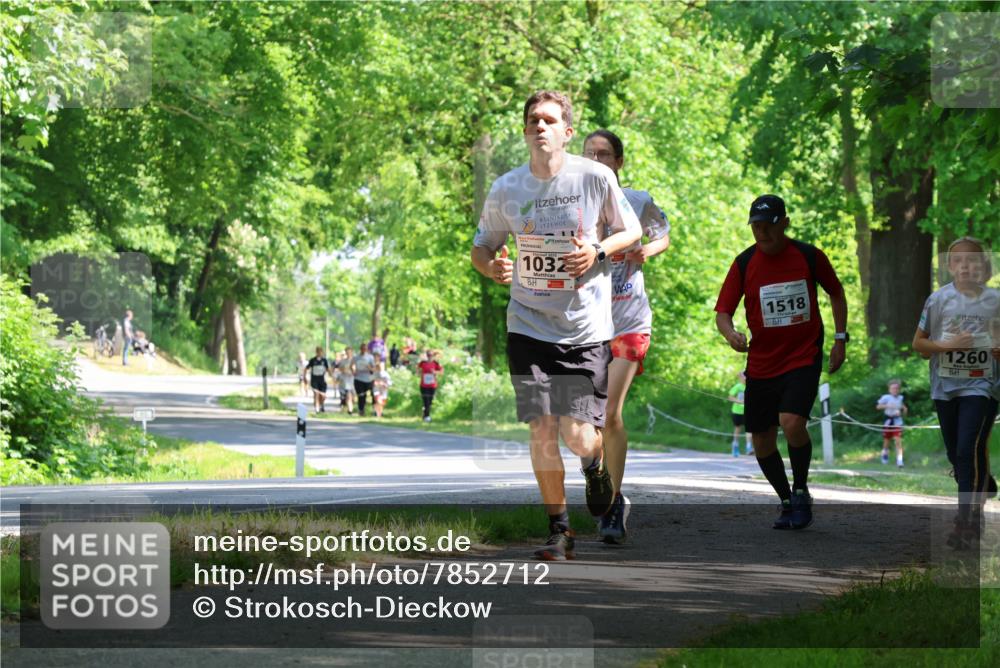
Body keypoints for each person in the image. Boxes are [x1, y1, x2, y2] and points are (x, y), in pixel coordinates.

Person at [471, 90, 641, 560]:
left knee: (576, 435)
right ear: (525, 131)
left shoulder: (595, 176)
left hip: (584, 329)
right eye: (532, 121)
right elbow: (482, 247)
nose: (539, 127)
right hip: (527, 325)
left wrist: (599, 251)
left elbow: (632, 231)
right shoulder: (507, 188)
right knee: (542, 428)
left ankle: (595, 465)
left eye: (549, 120)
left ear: (567, 132)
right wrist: (492, 268)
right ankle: (559, 530)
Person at [715, 194, 847, 531]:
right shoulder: (744, 263)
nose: (762, 233)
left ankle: (801, 490)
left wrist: (840, 339)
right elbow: (723, 312)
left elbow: (836, 292)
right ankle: (786, 500)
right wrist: (731, 335)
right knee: (761, 440)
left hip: (803, 355)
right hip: (762, 362)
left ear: (784, 223)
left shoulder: (808, 256)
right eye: (756, 227)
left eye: (768, 226)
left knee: (791, 422)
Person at [581, 128, 671, 544]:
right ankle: (598, 479)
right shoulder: (571, 208)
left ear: (618, 162)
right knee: (583, 424)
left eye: (604, 154)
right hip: (585, 326)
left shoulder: (637, 200)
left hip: (630, 321)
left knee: (609, 413)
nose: (597, 160)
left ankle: (614, 503)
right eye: (589, 154)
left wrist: (646, 250)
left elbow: (662, 234)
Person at [912, 236, 999, 548]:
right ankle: (983, 479)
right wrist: (947, 346)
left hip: (983, 385)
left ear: (984, 266)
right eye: (959, 261)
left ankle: (967, 524)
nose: (966, 266)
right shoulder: (938, 300)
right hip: (945, 387)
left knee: (966, 451)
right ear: (949, 266)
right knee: (957, 453)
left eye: (973, 260)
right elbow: (919, 345)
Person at [876, 379, 907, 467]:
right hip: (888, 421)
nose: (895, 390)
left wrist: (904, 410)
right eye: (893, 388)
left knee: (898, 440)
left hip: (897, 421)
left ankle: (900, 461)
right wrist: (887, 405)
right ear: (889, 389)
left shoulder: (901, 398)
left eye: (897, 388)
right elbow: (878, 406)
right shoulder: (886, 397)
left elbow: (903, 408)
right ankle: (885, 454)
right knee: (886, 441)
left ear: (899, 389)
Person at [728, 369, 753, 457]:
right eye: (743, 376)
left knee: (749, 429)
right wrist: (738, 401)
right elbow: (730, 397)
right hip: (737, 411)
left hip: (747, 411)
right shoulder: (738, 386)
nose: (745, 378)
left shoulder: (751, 386)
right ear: (740, 378)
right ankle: (735, 447)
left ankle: (749, 447)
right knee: (737, 428)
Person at [417, 349, 443, 422]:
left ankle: (425, 414)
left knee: (430, 402)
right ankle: (427, 416)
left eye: (431, 355)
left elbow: (441, 372)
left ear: (433, 356)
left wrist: (435, 372)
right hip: (423, 385)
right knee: (426, 401)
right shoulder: (423, 363)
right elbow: (418, 369)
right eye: (428, 355)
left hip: (432, 385)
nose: (429, 357)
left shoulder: (435, 363)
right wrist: (419, 373)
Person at [352, 342, 377, 417]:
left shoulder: (370, 357)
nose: (364, 350)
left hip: (368, 379)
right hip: (359, 379)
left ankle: (374, 410)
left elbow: (374, 368)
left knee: (373, 394)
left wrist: (369, 368)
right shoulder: (356, 357)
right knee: (361, 395)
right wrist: (353, 371)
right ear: (360, 349)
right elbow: (351, 365)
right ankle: (361, 410)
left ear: (367, 349)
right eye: (362, 349)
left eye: (365, 349)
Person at [305, 346, 332, 413]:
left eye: (320, 352)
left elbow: (328, 369)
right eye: (318, 351)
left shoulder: (324, 360)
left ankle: (321, 405)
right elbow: (306, 368)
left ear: (322, 352)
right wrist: (305, 377)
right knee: (316, 394)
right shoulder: (312, 360)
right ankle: (317, 408)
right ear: (316, 352)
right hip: (314, 380)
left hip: (322, 380)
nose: (319, 353)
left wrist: (331, 375)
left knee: (323, 396)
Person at [337, 346, 356, 415]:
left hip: (354, 380)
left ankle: (350, 406)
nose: (348, 353)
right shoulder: (343, 361)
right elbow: (340, 368)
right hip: (346, 381)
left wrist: (354, 371)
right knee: (348, 395)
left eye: (349, 352)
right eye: (347, 352)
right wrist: (344, 371)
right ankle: (350, 410)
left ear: (352, 352)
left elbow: (356, 370)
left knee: (353, 397)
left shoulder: (355, 360)